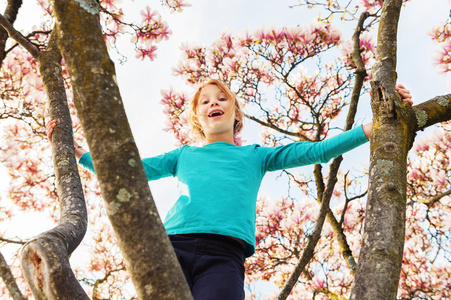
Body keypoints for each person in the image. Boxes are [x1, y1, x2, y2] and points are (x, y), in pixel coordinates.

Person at [46, 79, 413, 299]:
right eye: (205, 101)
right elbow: (134, 174)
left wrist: (372, 126)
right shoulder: (184, 154)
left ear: (236, 113)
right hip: (169, 247)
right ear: (197, 117)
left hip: (225, 256)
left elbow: (315, 151)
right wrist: (83, 156)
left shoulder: (256, 155)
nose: (213, 103)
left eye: (221, 98)